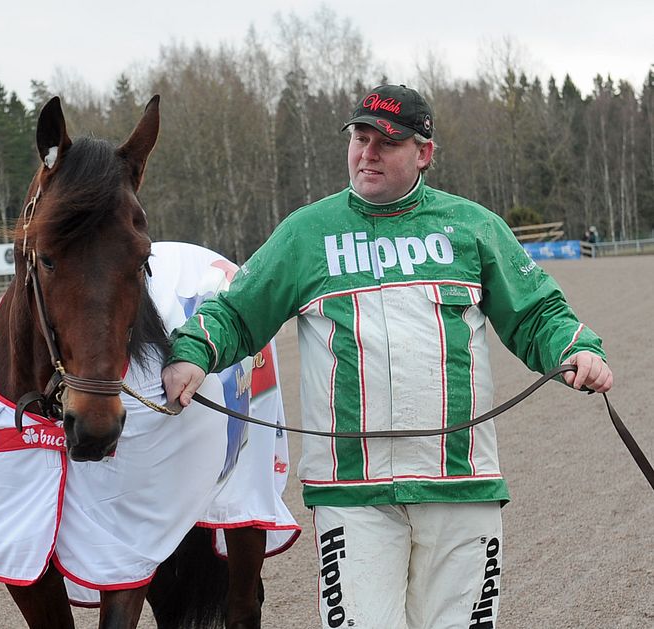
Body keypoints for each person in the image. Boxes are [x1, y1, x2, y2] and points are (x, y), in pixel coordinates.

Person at [162, 84, 613, 629]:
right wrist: (191, 355)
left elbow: (538, 312)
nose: (367, 152)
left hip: (461, 485)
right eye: (360, 137)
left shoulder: (473, 227)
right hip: (352, 495)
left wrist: (576, 350)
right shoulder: (307, 234)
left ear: (423, 153)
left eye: (386, 142)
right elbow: (236, 312)